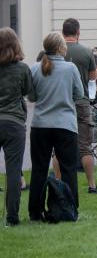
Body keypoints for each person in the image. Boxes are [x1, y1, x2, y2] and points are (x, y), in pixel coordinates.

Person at [28, 33, 84, 220]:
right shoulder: (70, 68)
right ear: (61, 48)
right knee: (68, 169)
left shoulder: (35, 68)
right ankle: (69, 207)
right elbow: (79, 94)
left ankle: (35, 211)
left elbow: (32, 97)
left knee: (39, 169)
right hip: (65, 124)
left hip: (40, 125)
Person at [61, 18, 97, 194]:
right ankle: (92, 185)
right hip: (82, 102)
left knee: (58, 147)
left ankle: (58, 183)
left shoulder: (56, 51)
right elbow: (92, 78)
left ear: (63, 33)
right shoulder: (86, 52)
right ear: (78, 32)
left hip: (61, 102)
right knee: (85, 145)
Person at [0, 27, 33, 226]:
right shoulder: (22, 69)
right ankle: (12, 217)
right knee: (13, 170)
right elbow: (28, 92)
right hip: (13, 122)